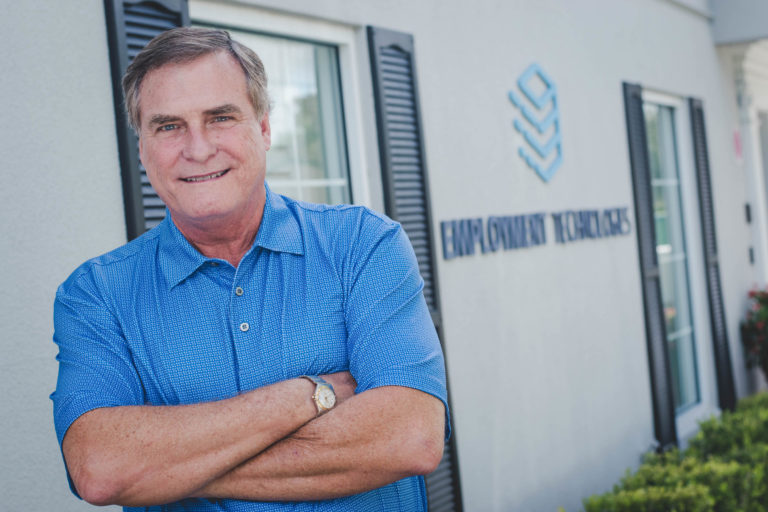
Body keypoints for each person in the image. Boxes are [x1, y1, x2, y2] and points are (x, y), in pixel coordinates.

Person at [51, 27, 449, 511]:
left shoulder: (362, 246)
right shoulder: (97, 294)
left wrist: (171, 468)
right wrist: (308, 395)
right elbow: (101, 469)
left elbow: (409, 437)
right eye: (168, 126)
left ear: (263, 128)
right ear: (142, 148)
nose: (197, 149)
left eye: (220, 117)